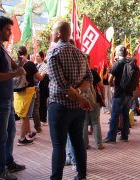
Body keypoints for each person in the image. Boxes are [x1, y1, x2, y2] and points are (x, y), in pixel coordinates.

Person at [47, 21, 92, 180]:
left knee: (59, 146)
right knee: (78, 142)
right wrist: (80, 96)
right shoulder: (80, 53)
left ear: (58, 33)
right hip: (78, 110)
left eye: (53, 31)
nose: (52, 34)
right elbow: (89, 78)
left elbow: (61, 84)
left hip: (60, 107)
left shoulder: (54, 53)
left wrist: (78, 95)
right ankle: (81, 176)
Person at [0, 16, 26, 180]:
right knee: (0, 135)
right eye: (7, 29)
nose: (10, 32)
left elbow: (12, 68)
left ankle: (8, 162)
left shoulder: (1, 47)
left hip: (7, 97)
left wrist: (19, 65)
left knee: (10, 131)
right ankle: (0, 170)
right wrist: (16, 73)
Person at [14, 46, 44, 146]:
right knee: (25, 117)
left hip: (17, 93)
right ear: (26, 53)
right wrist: (43, 74)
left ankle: (30, 133)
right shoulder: (30, 64)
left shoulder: (14, 63)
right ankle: (22, 138)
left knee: (23, 115)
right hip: (28, 92)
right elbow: (39, 78)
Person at [103, 45, 133, 143]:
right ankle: (124, 136)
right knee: (125, 115)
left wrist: (113, 83)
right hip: (129, 93)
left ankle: (111, 137)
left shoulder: (117, 63)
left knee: (115, 116)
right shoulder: (131, 62)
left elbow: (110, 79)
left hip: (119, 93)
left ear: (118, 53)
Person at [83, 65, 105, 150]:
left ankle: (84, 144)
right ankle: (99, 144)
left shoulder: (78, 73)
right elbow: (101, 86)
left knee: (84, 123)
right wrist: (103, 97)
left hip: (82, 100)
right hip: (94, 99)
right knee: (95, 122)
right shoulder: (93, 72)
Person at [35, 51, 49, 127]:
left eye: (38, 56)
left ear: (42, 57)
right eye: (36, 56)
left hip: (43, 88)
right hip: (36, 87)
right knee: (38, 104)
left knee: (43, 103)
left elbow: (42, 76)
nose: (36, 57)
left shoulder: (45, 66)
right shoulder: (36, 65)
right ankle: (40, 118)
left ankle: (43, 119)